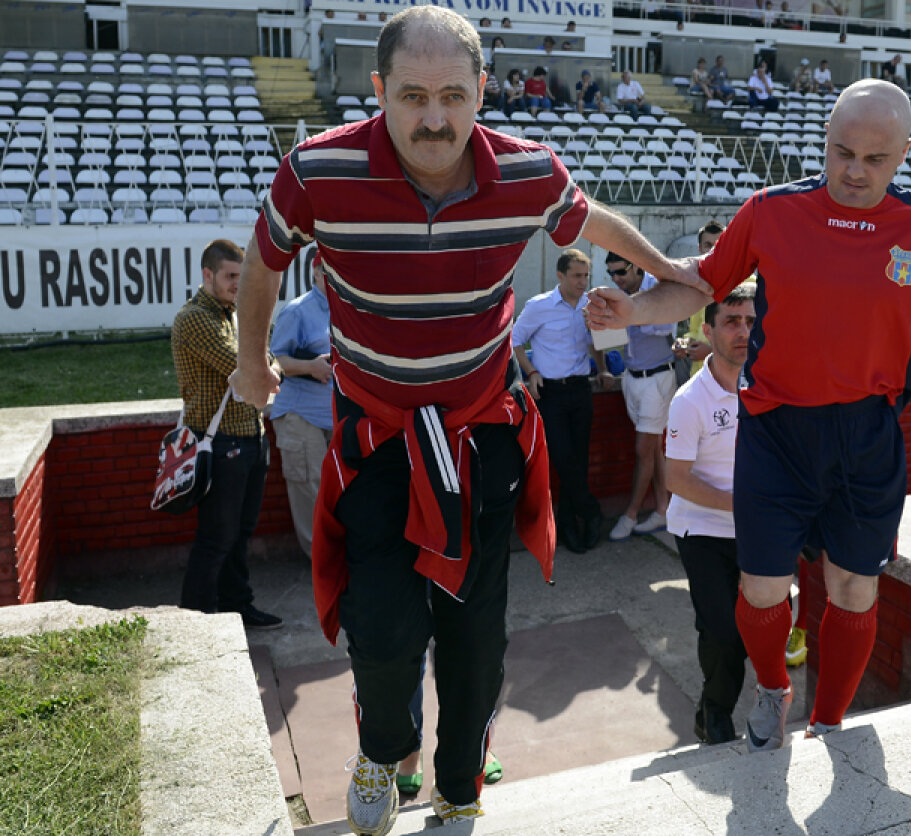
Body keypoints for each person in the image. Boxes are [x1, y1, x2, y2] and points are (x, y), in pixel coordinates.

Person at [229, 6, 684, 829]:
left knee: (477, 635)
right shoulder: (318, 171)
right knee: (382, 627)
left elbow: (594, 219)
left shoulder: (528, 173)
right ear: (378, 91)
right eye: (411, 96)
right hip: (375, 440)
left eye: (451, 95)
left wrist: (664, 267)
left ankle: (461, 781)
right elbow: (264, 260)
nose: (434, 119)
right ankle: (379, 753)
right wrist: (251, 359)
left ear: (482, 90)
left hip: (481, 441)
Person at [586, 79, 911, 751]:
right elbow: (707, 278)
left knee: (853, 588)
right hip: (776, 431)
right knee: (763, 586)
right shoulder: (773, 210)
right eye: (842, 153)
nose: (854, 171)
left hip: (868, 434)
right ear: (824, 144)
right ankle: (773, 688)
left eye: (875, 159)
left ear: (904, 155)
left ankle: (829, 718)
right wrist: (636, 310)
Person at [172, 239, 283, 631]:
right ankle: (197, 622)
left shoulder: (234, 314)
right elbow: (245, 364)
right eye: (230, 276)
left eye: (242, 275)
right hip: (219, 443)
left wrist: (264, 365)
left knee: (240, 534)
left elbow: (268, 358)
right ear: (208, 275)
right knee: (217, 536)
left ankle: (237, 607)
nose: (238, 283)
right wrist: (264, 366)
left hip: (250, 437)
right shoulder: (194, 318)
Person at [665, 282, 756, 745]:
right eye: (731, 322)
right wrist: (745, 507)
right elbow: (676, 479)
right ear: (708, 329)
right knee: (722, 630)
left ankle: (712, 707)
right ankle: (715, 715)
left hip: (757, 532)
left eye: (750, 322)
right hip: (700, 529)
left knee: (752, 629)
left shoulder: (765, 386)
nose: (742, 332)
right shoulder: (689, 401)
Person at [512, 249, 614, 554]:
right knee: (562, 456)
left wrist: (596, 339)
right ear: (561, 276)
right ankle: (592, 511)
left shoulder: (593, 306)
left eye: (586, 276)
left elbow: (605, 346)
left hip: (581, 389)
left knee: (578, 459)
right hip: (551, 393)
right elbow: (515, 340)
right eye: (577, 276)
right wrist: (531, 372)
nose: (583, 282)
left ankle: (570, 524)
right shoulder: (539, 306)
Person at [605, 251, 678, 541]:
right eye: (611, 273)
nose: (616, 279)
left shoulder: (658, 288)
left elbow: (666, 326)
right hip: (632, 378)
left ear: (635, 267)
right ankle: (662, 509)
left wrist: (629, 316)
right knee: (653, 449)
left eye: (620, 272)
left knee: (643, 450)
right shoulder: (618, 292)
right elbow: (610, 338)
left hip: (657, 378)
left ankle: (631, 514)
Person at [269, 251, 334, 559]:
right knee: (312, 492)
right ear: (317, 271)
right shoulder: (297, 311)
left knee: (334, 494)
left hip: (335, 416)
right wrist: (311, 367)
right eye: (332, 270)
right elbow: (273, 361)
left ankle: (333, 565)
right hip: (301, 414)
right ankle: (320, 566)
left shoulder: (349, 309)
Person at [673, 220, 722, 376]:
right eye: (708, 245)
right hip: (700, 376)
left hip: (731, 382)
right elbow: (695, 331)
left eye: (719, 244)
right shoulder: (696, 285)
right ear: (699, 249)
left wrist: (711, 353)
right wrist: (685, 343)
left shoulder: (747, 286)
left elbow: (752, 341)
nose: (714, 250)